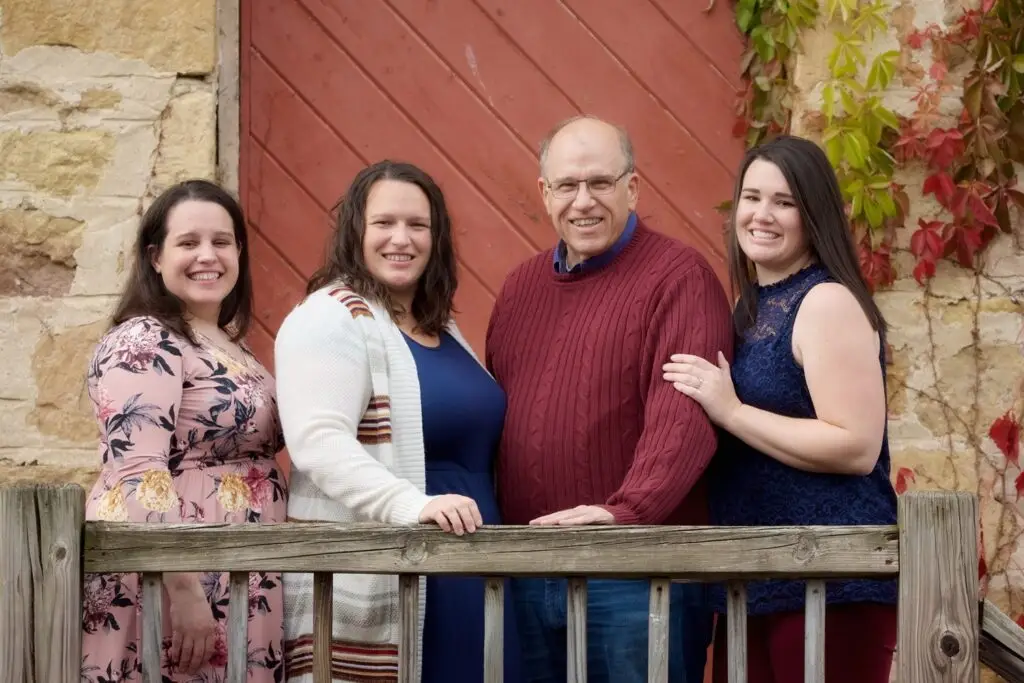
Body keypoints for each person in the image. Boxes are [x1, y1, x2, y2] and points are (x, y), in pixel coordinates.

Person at [485, 115, 734, 683]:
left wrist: (626, 513)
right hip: (530, 567)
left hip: (637, 571)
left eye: (600, 183)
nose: (584, 201)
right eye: (567, 186)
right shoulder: (520, 289)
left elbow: (684, 418)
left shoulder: (679, 278)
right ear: (544, 194)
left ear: (633, 188)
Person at [662, 134, 898, 683]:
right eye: (751, 197)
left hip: (831, 580)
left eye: (784, 202)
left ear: (813, 214)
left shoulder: (825, 302)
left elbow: (856, 445)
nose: (761, 215)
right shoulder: (752, 306)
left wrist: (732, 411)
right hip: (756, 575)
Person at [275, 160, 522, 683]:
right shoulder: (330, 317)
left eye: (417, 225)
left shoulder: (443, 327)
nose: (401, 239)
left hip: (479, 565)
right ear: (356, 232)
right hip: (406, 565)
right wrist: (415, 505)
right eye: (384, 223)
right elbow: (318, 443)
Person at [81, 180, 287, 683]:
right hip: (176, 572)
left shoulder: (228, 343)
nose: (207, 256)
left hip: (238, 568)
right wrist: (183, 586)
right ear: (155, 256)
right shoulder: (146, 339)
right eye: (188, 242)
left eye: (221, 241)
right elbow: (137, 468)